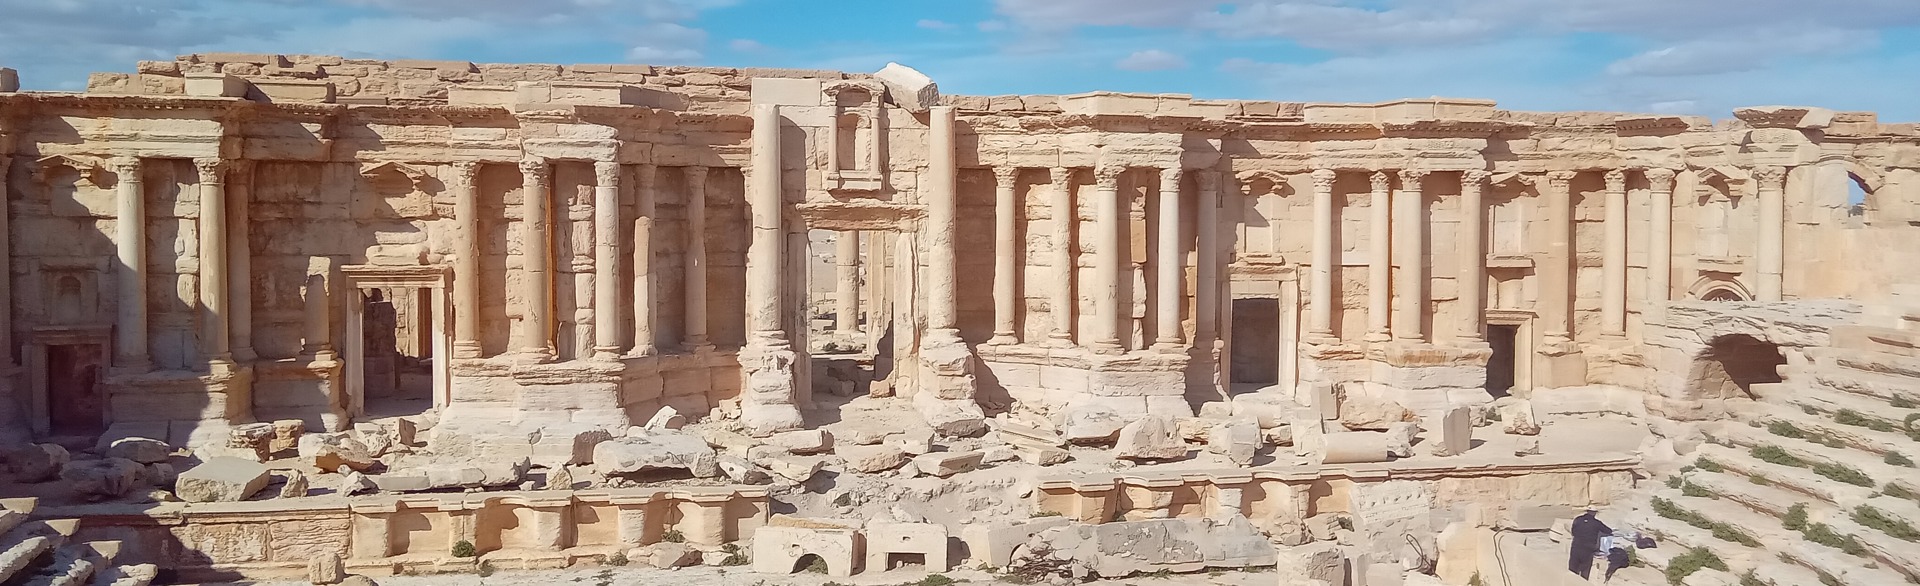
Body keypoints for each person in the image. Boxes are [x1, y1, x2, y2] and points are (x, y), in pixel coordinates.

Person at [1569, 508, 1613, 578]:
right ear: (1594, 513)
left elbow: (1573, 532)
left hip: (1576, 546)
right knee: (1585, 570)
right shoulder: (1596, 523)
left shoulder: (1578, 519)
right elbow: (1608, 530)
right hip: (1588, 549)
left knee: (1573, 569)